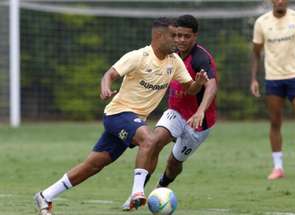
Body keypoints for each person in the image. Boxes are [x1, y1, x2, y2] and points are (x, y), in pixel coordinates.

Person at [34, 17, 209, 215]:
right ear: (159, 36)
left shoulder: (174, 62)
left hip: (134, 121)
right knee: (149, 140)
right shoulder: (139, 56)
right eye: (173, 36)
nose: (178, 40)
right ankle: (136, 193)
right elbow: (109, 74)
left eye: (180, 36)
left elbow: (190, 89)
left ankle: (45, 196)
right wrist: (105, 89)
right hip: (118, 114)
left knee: (93, 165)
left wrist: (198, 83)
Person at [121, 14, 218, 210]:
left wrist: (200, 111)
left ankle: (162, 186)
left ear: (195, 36)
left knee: (174, 162)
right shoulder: (168, 53)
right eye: (178, 35)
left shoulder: (201, 58)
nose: (181, 40)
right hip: (175, 112)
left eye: (186, 36)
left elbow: (212, 86)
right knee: (154, 142)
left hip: (199, 123)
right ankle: (136, 193)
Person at [250, 0, 295, 180]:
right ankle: (278, 167)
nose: (280, 1)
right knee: (275, 122)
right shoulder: (261, 22)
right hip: (273, 79)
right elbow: (256, 53)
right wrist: (253, 79)